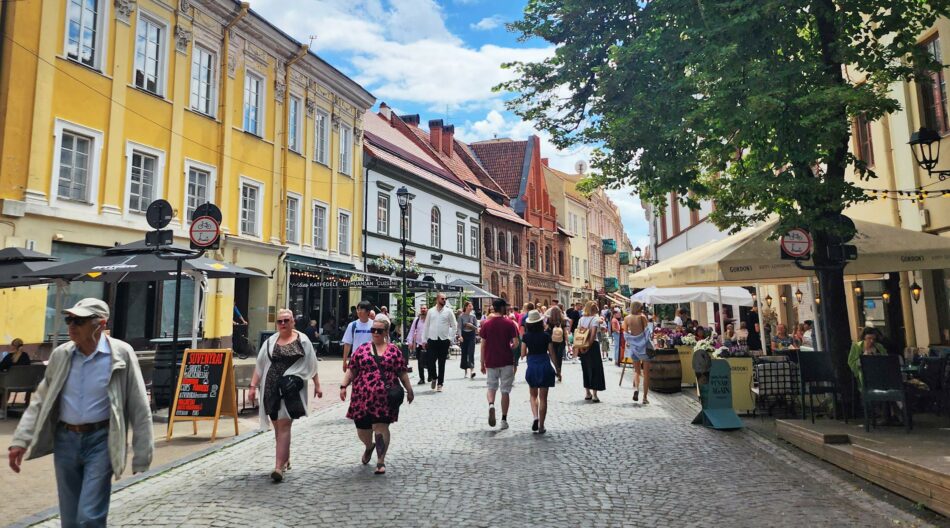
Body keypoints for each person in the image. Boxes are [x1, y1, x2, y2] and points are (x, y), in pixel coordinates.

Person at [8, 298, 152, 527]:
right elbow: (40, 400)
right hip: (66, 440)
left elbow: (139, 404)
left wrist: (142, 453)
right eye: (69, 319)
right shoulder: (61, 354)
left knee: (89, 516)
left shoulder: (121, 354)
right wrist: (20, 440)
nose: (72, 326)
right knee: (70, 517)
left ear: (101, 324)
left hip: (102, 440)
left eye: (80, 320)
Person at [248, 309, 320, 482]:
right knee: (278, 427)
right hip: (271, 388)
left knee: (284, 424)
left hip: (290, 390)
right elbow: (260, 365)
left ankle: (278, 467)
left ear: (293, 321)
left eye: (286, 320)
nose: (283, 324)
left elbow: (312, 363)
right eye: (280, 321)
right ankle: (285, 457)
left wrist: (317, 384)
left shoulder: (303, 340)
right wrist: (252, 386)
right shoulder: (270, 342)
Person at [340, 318, 414, 475]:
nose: (375, 333)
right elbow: (352, 370)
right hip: (362, 398)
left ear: (386, 332)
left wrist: (409, 390)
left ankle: (381, 461)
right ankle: (369, 446)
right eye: (373, 330)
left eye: (379, 331)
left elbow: (402, 372)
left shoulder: (394, 351)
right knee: (362, 429)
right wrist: (343, 386)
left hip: (384, 399)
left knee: (381, 427)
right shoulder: (362, 349)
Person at [479, 298, 520, 430]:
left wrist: (481, 363)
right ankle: (503, 419)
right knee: (505, 391)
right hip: (506, 360)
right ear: (502, 308)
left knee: (491, 386)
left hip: (491, 360)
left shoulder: (486, 324)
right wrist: (511, 346)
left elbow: (483, 345)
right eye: (506, 307)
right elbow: (516, 343)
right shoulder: (509, 324)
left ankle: (491, 404)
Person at [522, 310, 556, 434]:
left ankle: (535, 417)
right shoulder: (546, 335)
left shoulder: (526, 336)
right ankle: (541, 426)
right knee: (543, 398)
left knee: (533, 395)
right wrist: (557, 369)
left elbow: (522, 354)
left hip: (532, 365)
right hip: (545, 365)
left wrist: (528, 352)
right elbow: (551, 353)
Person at [423, 293, 457, 392]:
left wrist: (450, 338)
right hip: (432, 339)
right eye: (442, 299)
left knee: (442, 363)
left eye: (445, 299)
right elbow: (426, 326)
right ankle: (434, 377)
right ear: (437, 299)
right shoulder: (431, 311)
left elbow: (454, 325)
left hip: (443, 340)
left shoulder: (448, 311)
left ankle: (440, 383)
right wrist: (424, 340)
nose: (444, 300)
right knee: (430, 361)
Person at [575, 301, 607, 402]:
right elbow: (593, 335)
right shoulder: (595, 319)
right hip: (592, 346)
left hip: (582, 344)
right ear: (594, 309)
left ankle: (587, 392)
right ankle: (594, 394)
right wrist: (588, 346)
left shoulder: (581, 319)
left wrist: (581, 347)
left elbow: (578, 333)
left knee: (586, 369)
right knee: (595, 369)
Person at [623, 301, 652, 404]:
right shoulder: (642, 317)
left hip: (634, 348)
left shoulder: (627, 318)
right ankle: (644, 398)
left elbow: (625, 333)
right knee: (646, 373)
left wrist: (631, 341)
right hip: (644, 348)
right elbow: (647, 332)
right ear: (639, 308)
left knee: (637, 371)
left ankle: (636, 389)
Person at [342, 301, 374, 372]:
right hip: (356, 359)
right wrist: (344, 361)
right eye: (358, 309)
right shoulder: (352, 325)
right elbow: (347, 344)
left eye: (361, 309)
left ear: (368, 311)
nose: (359, 311)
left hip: (371, 359)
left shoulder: (374, 325)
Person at [407, 305, 429, 385]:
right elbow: (412, 330)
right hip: (419, 344)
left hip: (429, 344)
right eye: (421, 308)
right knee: (420, 362)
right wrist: (409, 341)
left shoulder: (429, 320)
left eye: (424, 308)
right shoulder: (416, 320)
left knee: (430, 361)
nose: (423, 310)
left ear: (427, 310)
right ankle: (422, 378)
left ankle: (430, 375)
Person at [546, 306, 568, 382]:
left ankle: (557, 369)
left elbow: (547, 329)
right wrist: (567, 342)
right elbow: (565, 332)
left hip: (552, 341)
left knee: (553, 355)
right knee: (559, 357)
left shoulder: (550, 320)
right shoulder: (563, 320)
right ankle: (559, 371)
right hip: (561, 340)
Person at [458, 301, 478, 379]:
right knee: (464, 353)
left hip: (471, 335)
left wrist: (471, 325)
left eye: (471, 306)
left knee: (471, 352)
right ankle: (465, 370)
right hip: (464, 335)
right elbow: (459, 327)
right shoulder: (461, 316)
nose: (471, 307)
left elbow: (477, 328)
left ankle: (472, 370)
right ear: (466, 307)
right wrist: (460, 336)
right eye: (469, 306)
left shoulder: (473, 316)